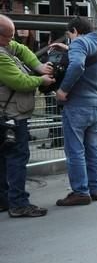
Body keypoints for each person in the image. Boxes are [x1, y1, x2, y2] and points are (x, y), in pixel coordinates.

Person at [0, 14, 55, 217]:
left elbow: (21, 49)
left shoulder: (6, 45)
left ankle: (4, 200)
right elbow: (20, 82)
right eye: (8, 36)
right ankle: (18, 203)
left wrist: (39, 66)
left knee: (4, 158)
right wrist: (41, 79)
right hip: (11, 116)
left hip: (6, 115)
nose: (12, 40)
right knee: (17, 157)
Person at [53, 16, 97, 206]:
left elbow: (76, 65)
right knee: (92, 149)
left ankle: (80, 192)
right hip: (95, 103)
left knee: (75, 149)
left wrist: (63, 90)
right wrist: (69, 49)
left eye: (69, 36)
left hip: (77, 104)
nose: (69, 40)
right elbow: (87, 60)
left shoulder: (78, 42)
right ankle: (94, 189)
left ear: (74, 31)